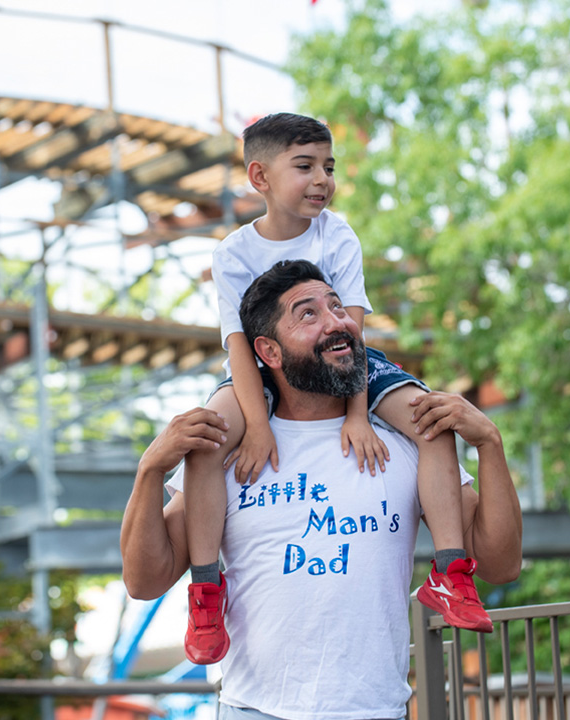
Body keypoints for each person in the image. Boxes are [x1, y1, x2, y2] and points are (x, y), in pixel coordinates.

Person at [120, 260, 523, 720]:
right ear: (268, 351)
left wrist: (490, 444)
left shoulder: (408, 444)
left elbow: (502, 564)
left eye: (337, 306)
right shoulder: (230, 455)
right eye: (308, 314)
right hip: (253, 710)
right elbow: (144, 580)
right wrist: (150, 471)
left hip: (373, 711)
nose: (338, 322)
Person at [180, 113, 489, 666]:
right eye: (305, 166)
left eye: (328, 166)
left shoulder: (338, 233)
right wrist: (254, 428)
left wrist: (356, 416)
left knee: (431, 418)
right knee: (206, 439)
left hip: (350, 366)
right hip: (261, 368)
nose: (322, 178)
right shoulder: (233, 253)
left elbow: (351, 333)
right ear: (260, 177)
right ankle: (206, 590)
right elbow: (238, 348)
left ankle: (451, 572)